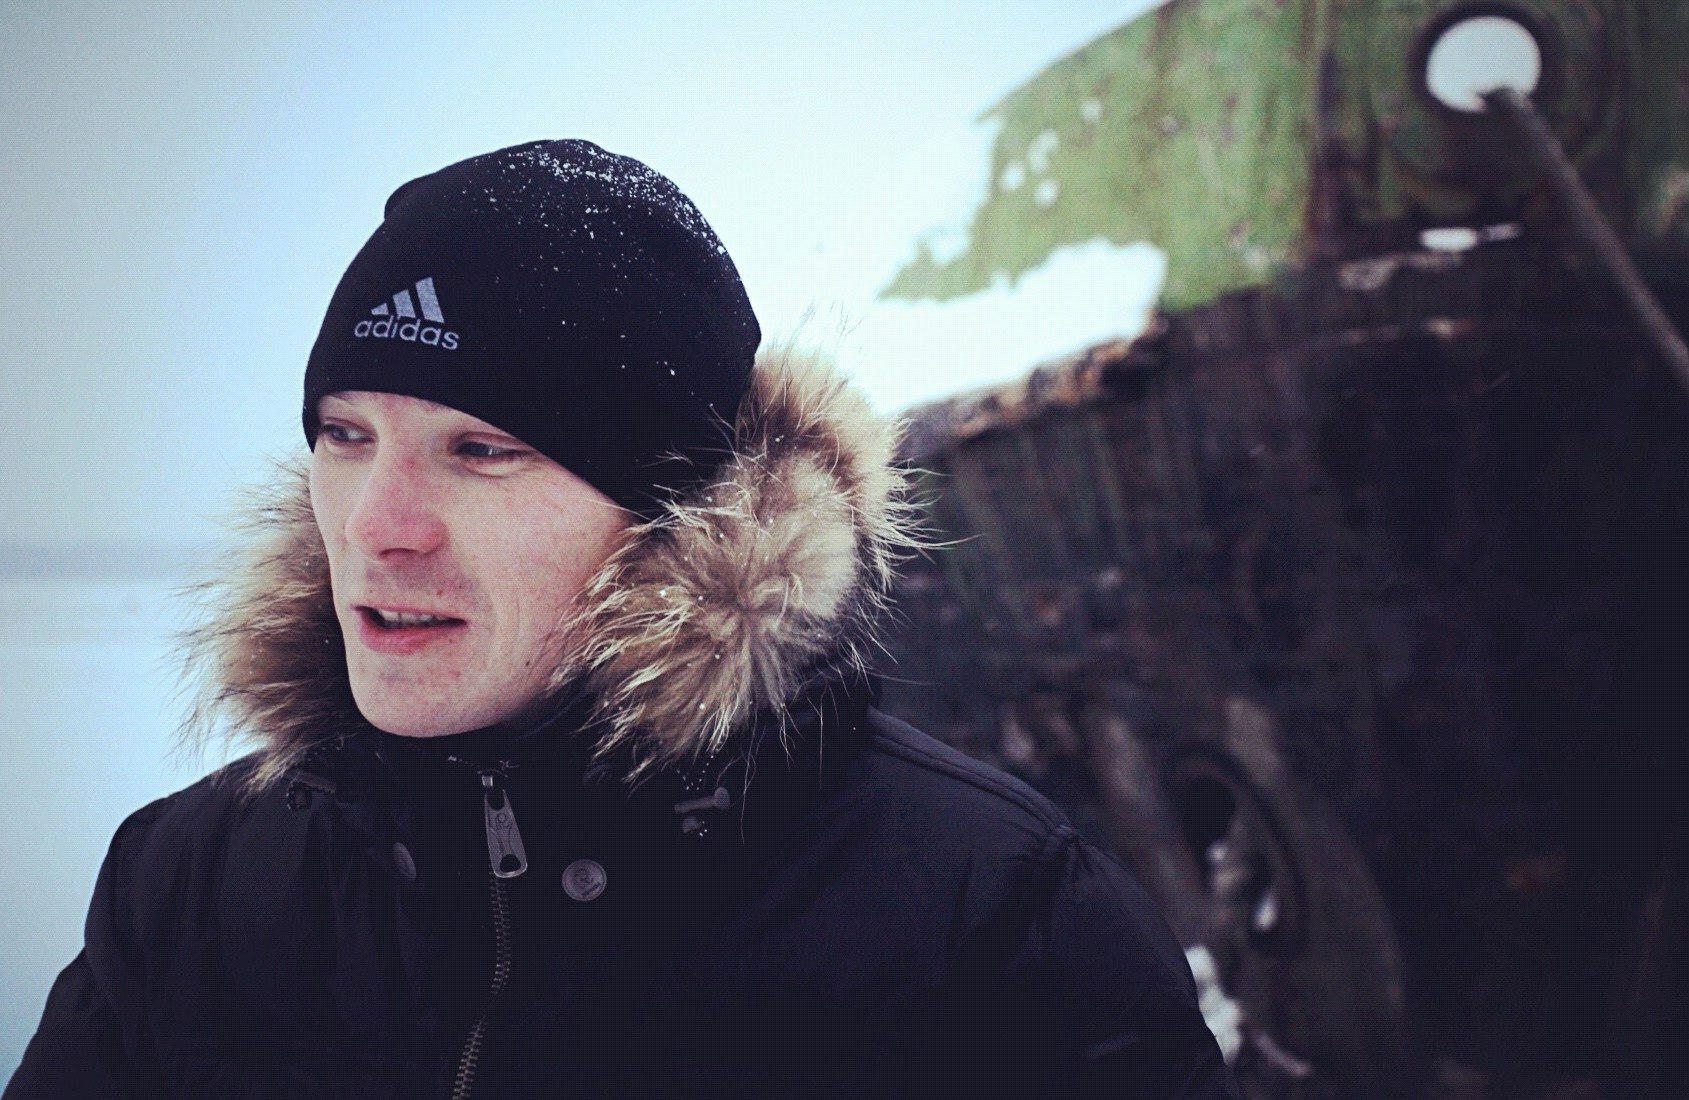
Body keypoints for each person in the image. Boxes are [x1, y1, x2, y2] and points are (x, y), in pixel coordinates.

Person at [5, 140, 1238, 1099]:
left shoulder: (996, 924)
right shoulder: (194, 889)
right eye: (344, 433)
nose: (377, 524)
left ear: (671, 514)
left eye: (481, 450)